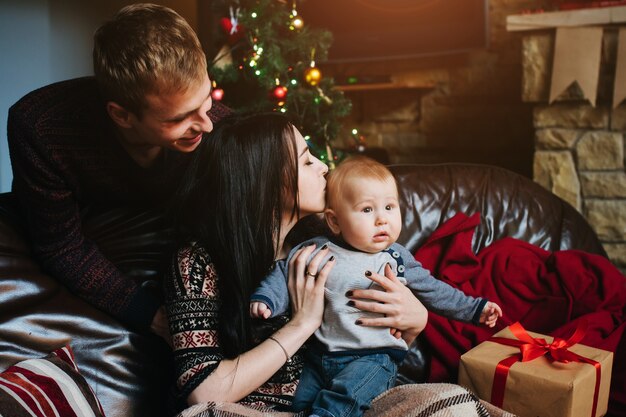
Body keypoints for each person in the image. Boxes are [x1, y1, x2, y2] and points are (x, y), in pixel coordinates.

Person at [164, 113, 429, 414]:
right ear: (264, 180)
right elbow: (202, 393)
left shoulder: (328, 242)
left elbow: (375, 351)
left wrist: (416, 321)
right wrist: (302, 323)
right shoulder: (197, 263)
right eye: (306, 161)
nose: (324, 167)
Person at [7, 3, 229, 338]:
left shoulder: (223, 129)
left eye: (206, 99)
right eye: (178, 118)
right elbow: (61, 248)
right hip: (75, 241)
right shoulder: (40, 127)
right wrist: (154, 317)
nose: (205, 125)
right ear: (122, 115)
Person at [250, 156, 503, 417]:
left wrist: (475, 308)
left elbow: (434, 290)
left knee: (345, 398)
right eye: (367, 210)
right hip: (320, 355)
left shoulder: (396, 257)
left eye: (390, 207)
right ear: (334, 221)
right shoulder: (318, 249)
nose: (382, 220)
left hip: (373, 357)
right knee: (300, 400)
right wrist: (267, 299)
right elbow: (284, 270)